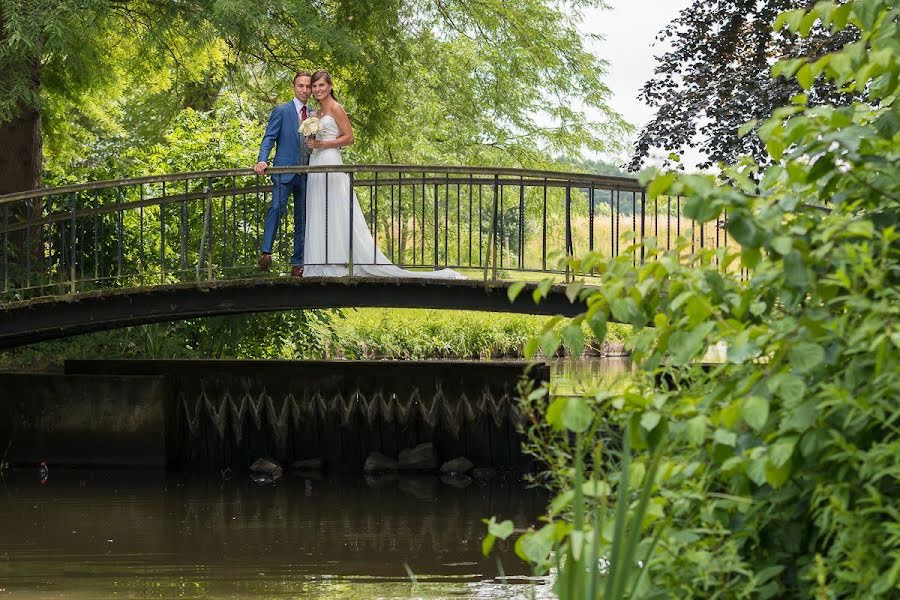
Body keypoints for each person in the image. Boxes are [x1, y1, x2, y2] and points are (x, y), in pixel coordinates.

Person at [303, 70, 465, 279]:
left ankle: (336, 263)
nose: (317, 90)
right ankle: (318, 263)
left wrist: (323, 144)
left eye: (321, 85)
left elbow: (349, 138)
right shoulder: (316, 114)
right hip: (316, 161)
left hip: (330, 160)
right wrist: (312, 140)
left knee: (334, 209)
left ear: (330, 86)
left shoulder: (336, 108)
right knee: (320, 210)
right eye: (315, 86)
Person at [255, 70, 315, 277]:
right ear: (294, 87)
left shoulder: (315, 115)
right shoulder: (282, 111)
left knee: (302, 218)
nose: (305, 90)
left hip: (306, 174)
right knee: (276, 208)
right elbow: (269, 138)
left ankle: (297, 264)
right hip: (283, 171)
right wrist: (262, 159)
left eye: (308, 86)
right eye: (301, 86)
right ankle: (265, 252)